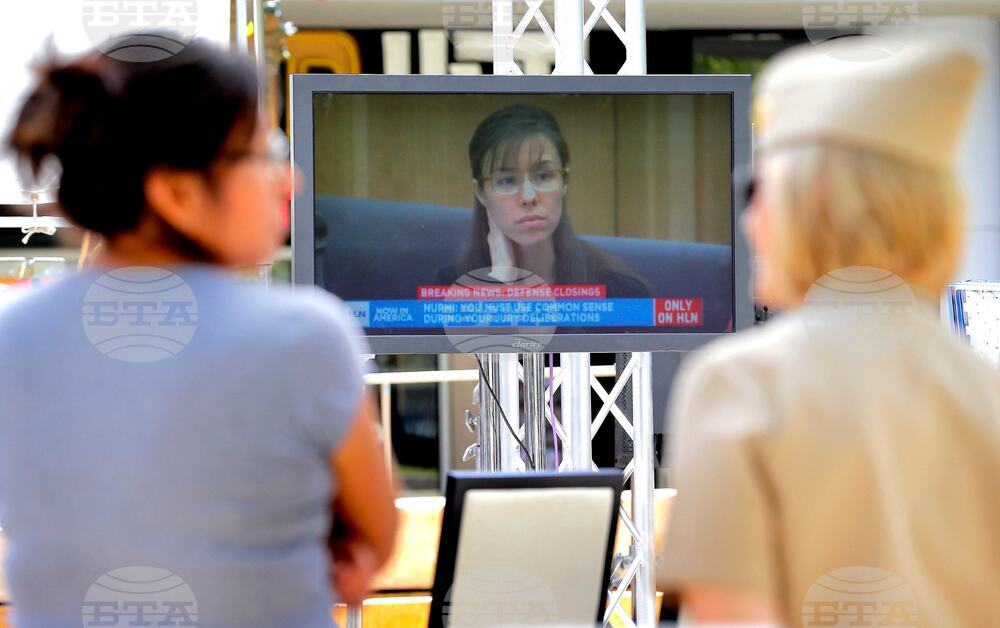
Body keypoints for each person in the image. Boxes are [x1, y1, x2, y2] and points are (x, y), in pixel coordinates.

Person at [0, 36, 397, 627]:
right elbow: (375, 540)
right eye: (263, 154)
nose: (291, 181)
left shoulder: (13, 340)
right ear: (176, 193)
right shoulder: (304, 337)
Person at [657, 38, 1000, 626]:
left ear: (811, 199)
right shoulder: (984, 390)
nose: (747, 219)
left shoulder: (741, 383)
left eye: (756, 190)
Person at [440, 104, 654, 298]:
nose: (528, 197)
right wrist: (502, 288)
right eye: (506, 180)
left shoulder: (619, 288)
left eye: (544, 176)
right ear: (480, 192)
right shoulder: (450, 288)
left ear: (564, 181)